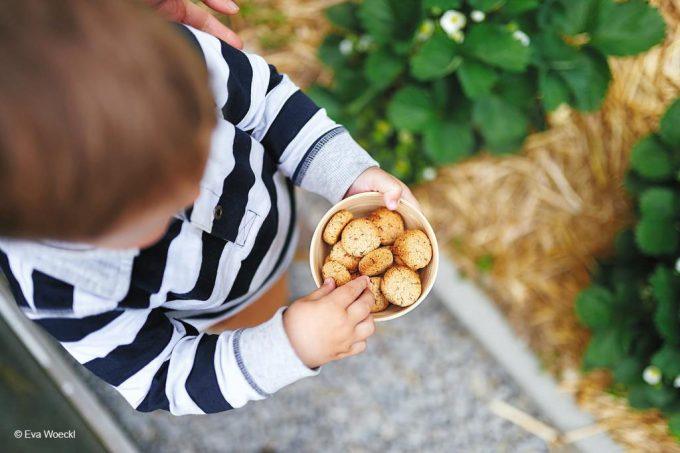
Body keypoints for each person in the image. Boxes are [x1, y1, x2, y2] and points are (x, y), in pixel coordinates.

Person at [0, 0, 417, 415]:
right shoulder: (62, 294)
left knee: (297, 248)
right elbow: (162, 376)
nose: (193, 192)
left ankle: (286, 253)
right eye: (157, 209)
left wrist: (347, 174)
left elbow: (267, 104)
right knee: (265, 307)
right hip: (228, 301)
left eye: (196, 149)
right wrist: (288, 345)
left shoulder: (163, 54)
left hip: (279, 206)